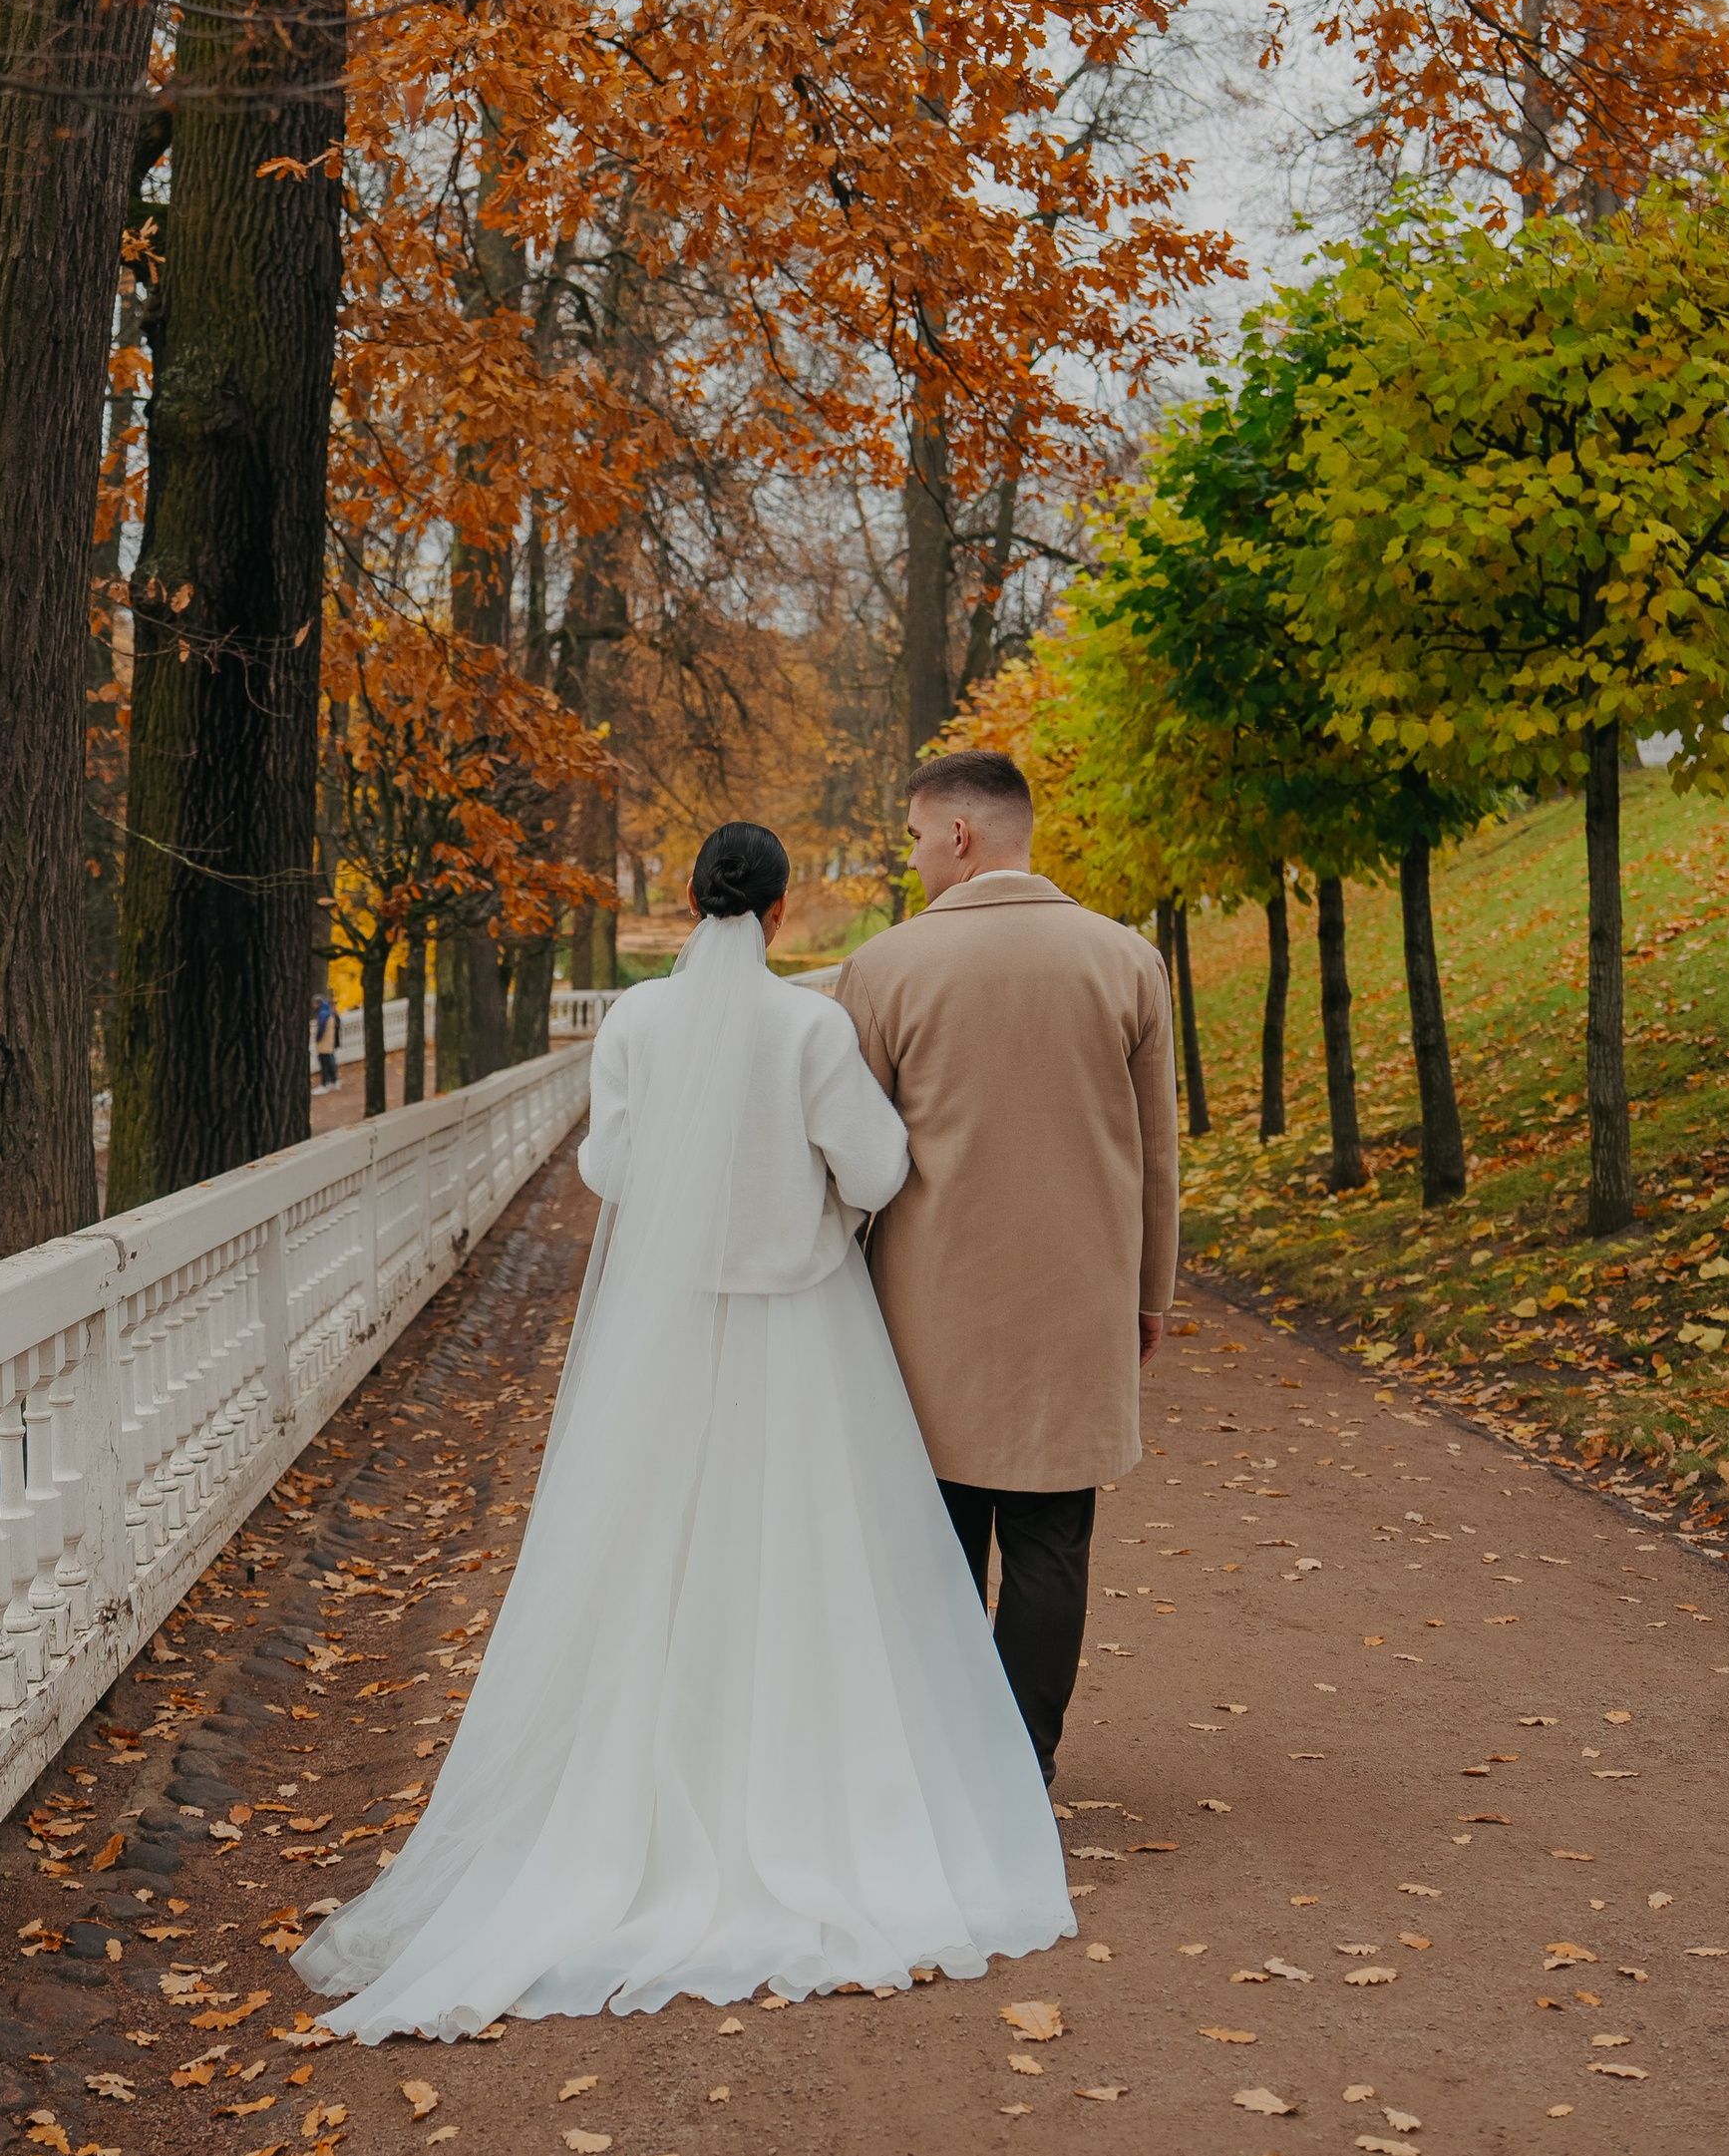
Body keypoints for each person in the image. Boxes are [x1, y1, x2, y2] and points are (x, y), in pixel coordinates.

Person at [294, 818, 1074, 2040]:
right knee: (808, 1553)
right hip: (798, 1337)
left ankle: (633, 1798)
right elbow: (872, 1172)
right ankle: (816, 1793)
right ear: (772, 916)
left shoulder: (638, 1026)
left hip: (667, 1338)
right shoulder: (808, 1027)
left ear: (700, 902)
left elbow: (609, 1170)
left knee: (651, 1550)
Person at [835, 748, 1178, 1790]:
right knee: (1049, 1542)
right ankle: (1017, 1769)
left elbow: (851, 1161)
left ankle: (938, 1761)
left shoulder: (885, 967)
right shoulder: (1124, 959)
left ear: (959, 835)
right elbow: (1157, 1151)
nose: (913, 859)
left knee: (935, 1544)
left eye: (913, 836)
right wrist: (1148, 1296)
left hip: (924, 1311)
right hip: (1076, 1304)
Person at [311, 988, 339, 1093]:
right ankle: (333, 1080)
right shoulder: (328, 1011)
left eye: (314, 1003)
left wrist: (317, 1037)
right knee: (330, 1060)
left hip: (324, 1043)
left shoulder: (323, 1013)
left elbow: (321, 1027)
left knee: (325, 1062)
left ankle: (325, 1083)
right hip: (328, 1042)